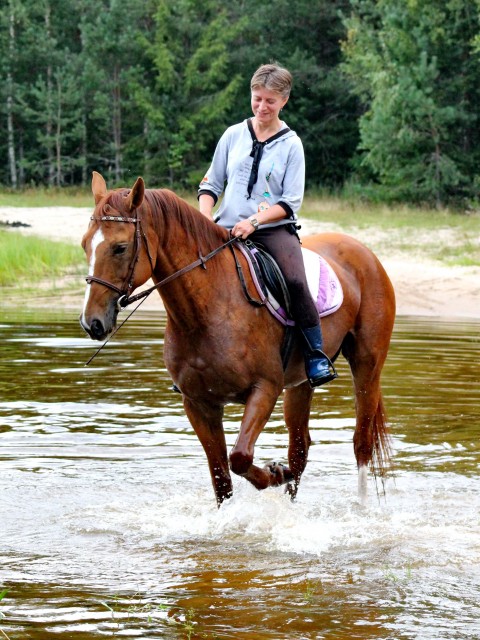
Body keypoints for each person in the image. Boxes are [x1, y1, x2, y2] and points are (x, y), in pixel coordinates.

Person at [198, 63, 335, 387]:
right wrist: (205, 217)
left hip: (273, 230)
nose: (262, 106)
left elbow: (290, 201)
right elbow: (210, 184)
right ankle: (192, 358)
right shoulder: (233, 135)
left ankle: (315, 354)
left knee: (296, 281)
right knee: (194, 279)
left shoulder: (292, 144)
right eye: (257, 98)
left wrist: (254, 221)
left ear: (284, 101)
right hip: (225, 228)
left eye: (269, 101)